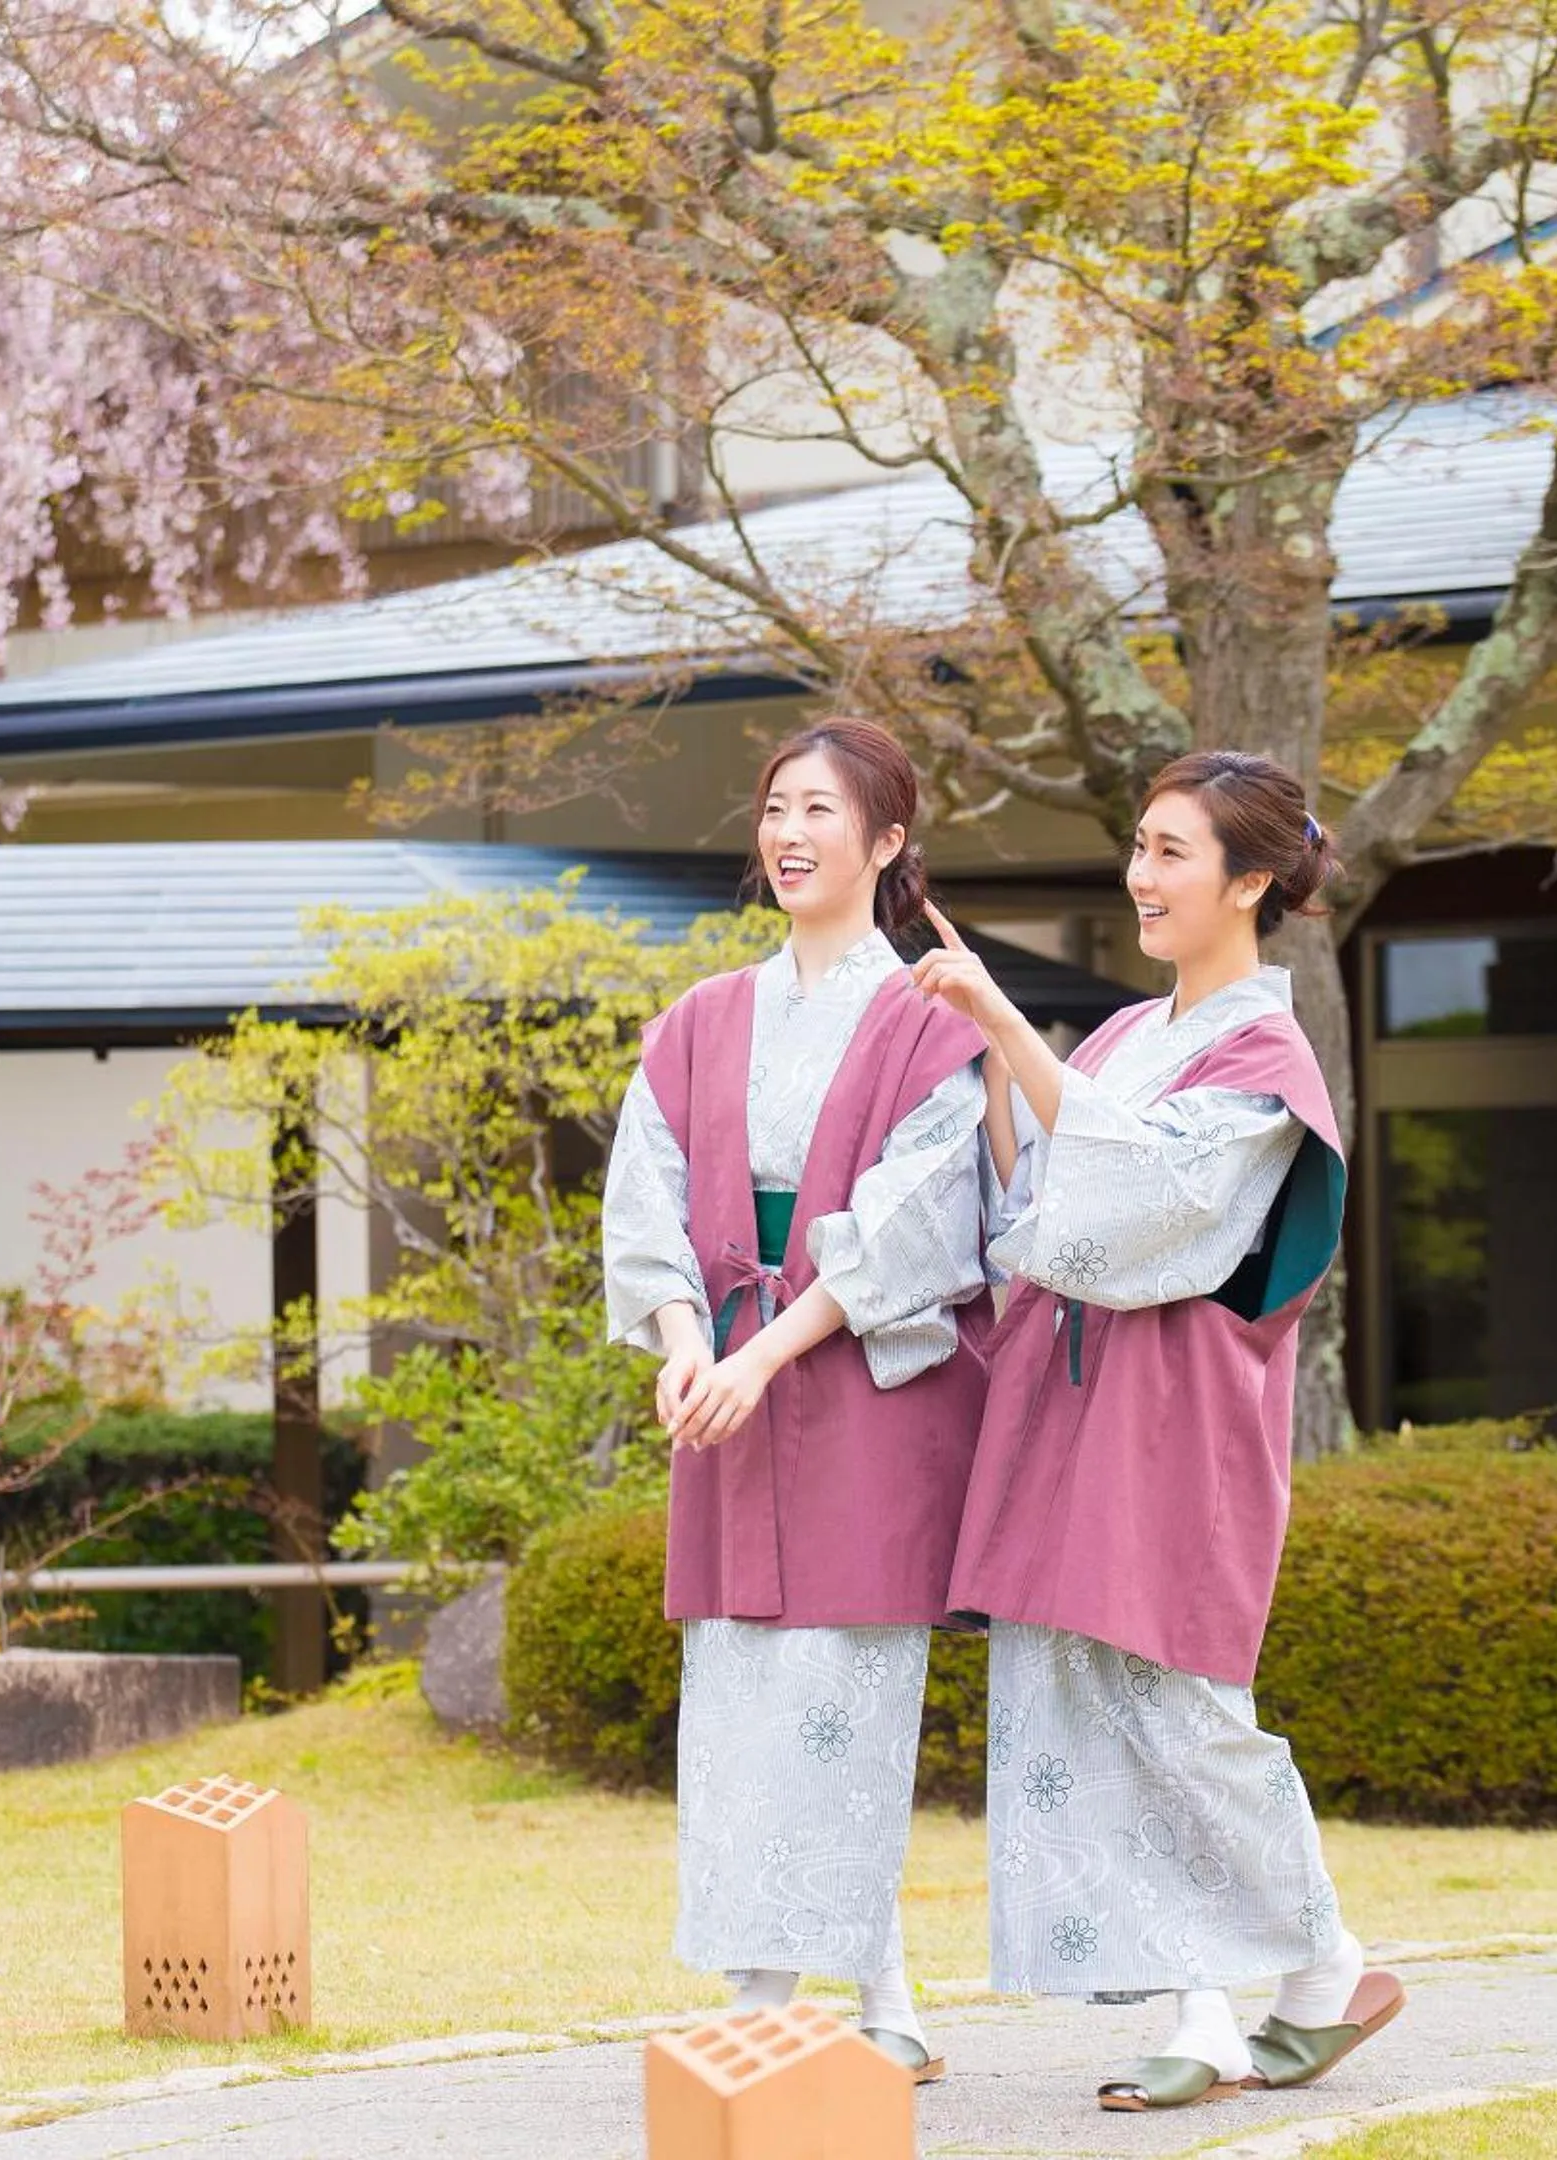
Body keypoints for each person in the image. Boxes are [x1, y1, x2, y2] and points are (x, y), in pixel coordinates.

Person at [910, 748, 1402, 2111]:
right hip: (1075, 1410)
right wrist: (990, 1077)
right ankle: (1232, 1998)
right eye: (1138, 845)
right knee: (1087, 1704)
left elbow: (1151, 1208)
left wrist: (1011, 1029)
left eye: (1172, 851)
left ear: (1252, 881)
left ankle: (1317, 1965)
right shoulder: (1130, 1038)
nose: (1141, 874)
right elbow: (1045, 1218)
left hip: (1178, 1420)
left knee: (1178, 1705)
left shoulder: (1269, 1053)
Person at [602, 717, 992, 2082]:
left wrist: (762, 1354)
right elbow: (646, 1198)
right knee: (742, 1694)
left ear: (886, 845)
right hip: (722, 1386)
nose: (789, 834)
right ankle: (880, 2004)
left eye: (822, 810)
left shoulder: (925, 1019)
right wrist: (680, 1342)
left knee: (840, 1694)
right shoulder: (704, 1017)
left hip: (858, 1390)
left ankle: (765, 1999)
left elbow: (917, 1225)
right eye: (775, 807)